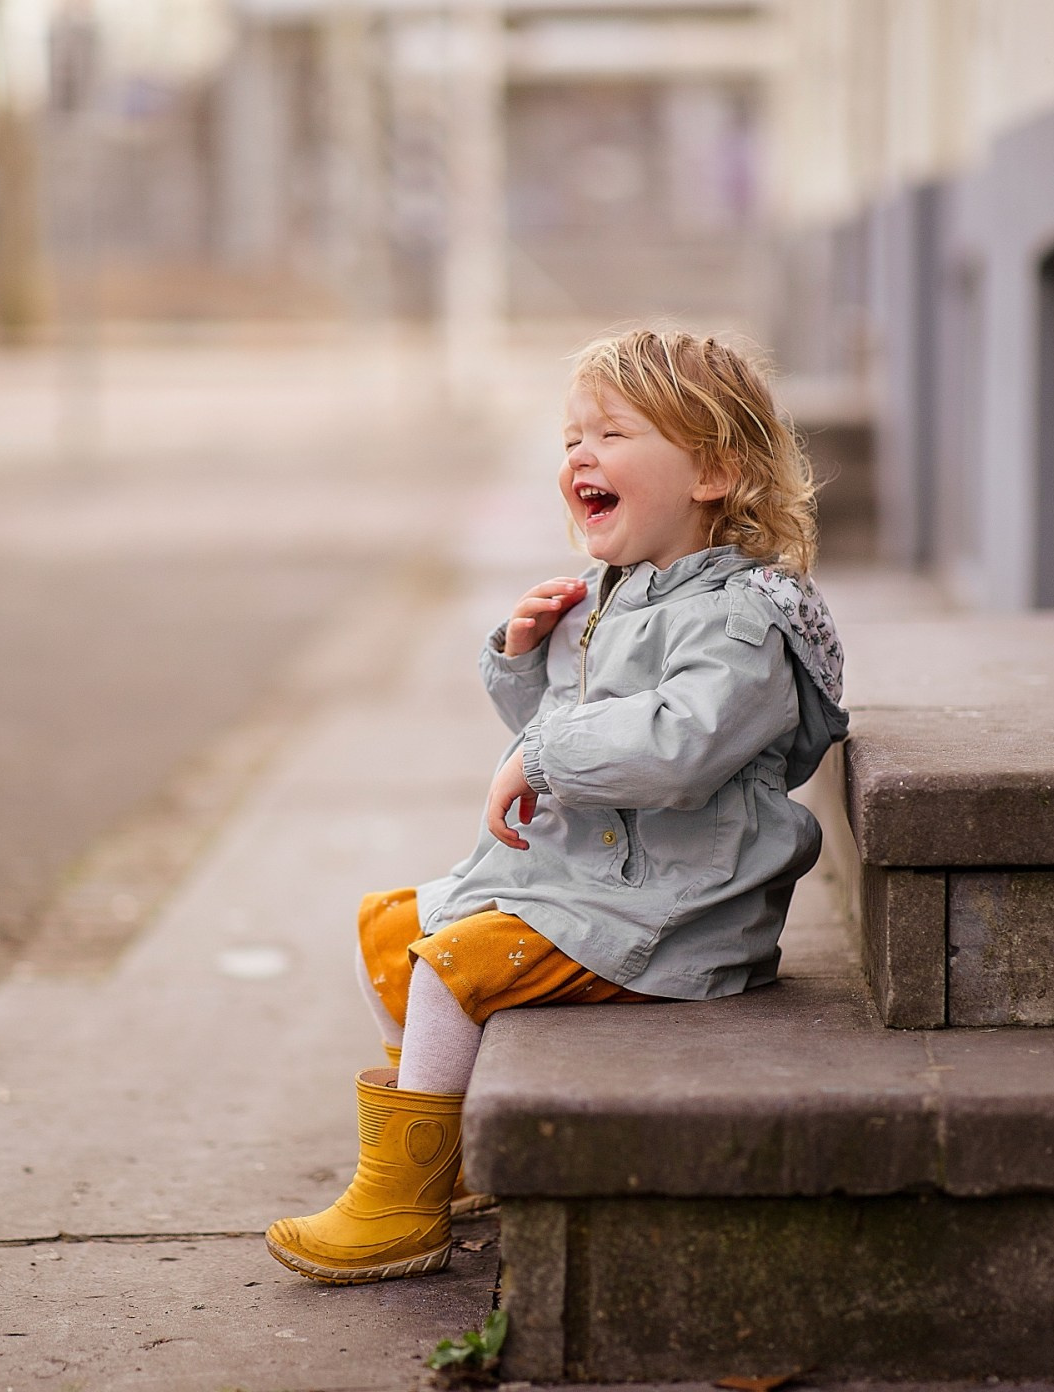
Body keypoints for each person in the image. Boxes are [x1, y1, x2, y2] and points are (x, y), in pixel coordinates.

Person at [265, 327, 849, 1285]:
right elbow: (576, 734)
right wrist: (528, 658)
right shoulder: (631, 592)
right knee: (389, 929)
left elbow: (674, 748)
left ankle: (400, 1207)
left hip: (683, 911)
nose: (579, 455)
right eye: (572, 438)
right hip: (613, 874)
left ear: (713, 471)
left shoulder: (742, 617)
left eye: (612, 435)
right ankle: (446, 1149)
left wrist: (542, 749)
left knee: (453, 965)